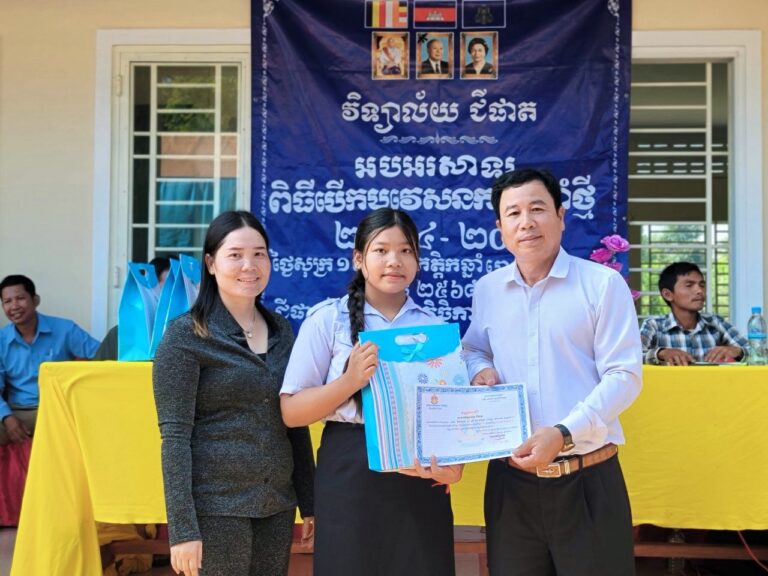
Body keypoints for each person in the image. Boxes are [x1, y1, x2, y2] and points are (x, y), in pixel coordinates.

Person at [462, 169, 642, 576]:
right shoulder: (488, 290)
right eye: (513, 213)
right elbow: (473, 348)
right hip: (510, 485)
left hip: (586, 478)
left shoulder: (601, 285)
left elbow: (624, 376)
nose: (526, 222)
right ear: (500, 228)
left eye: (538, 209)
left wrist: (563, 433)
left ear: (561, 216)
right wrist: (480, 369)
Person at [280, 208, 461, 576]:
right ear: (359, 258)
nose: (394, 261)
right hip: (349, 468)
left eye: (406, 251)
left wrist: (453, 468)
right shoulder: (327, 320)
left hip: (418, 472)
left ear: (418, 260)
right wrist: (348, 382)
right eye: (381, 250)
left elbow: (451, 417)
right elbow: (292, 412)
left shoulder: (435, 329)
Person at [152, 211, 314, 576]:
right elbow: (174, 439)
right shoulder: (186, 335)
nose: (249, 266)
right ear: (211, 263)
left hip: (276, 504)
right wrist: (183, 530)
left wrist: (310, 503)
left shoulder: (281, 330)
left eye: (259, 254)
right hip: (216, 509)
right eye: (235, 255)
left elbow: (295, 421)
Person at [1, 274, 99, 444]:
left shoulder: (65, 329)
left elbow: (101, 355)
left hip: (60, 408)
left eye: (20, 298)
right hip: (20, 410)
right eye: (7, 301)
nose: (14, 306)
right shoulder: (1, 340)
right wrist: (7, 418)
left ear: (35, 300)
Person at [639, 261, 749, 365]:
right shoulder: (653, 325)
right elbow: (632, 357)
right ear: (668, 294)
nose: (699, 291)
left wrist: (738, 351)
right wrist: (661, 354)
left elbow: (756, 353)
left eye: (702, 285)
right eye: (689, 285)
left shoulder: (715, 323)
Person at [93, 256, 174, 361]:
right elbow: (98, 369)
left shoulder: (189, 334)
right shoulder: (120, 335)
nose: (173, 294)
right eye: (168, 286)